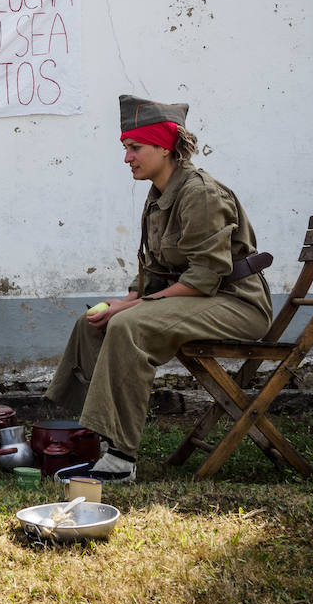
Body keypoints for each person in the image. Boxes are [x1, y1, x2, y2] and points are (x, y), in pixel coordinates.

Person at [44, 94, 274, 483]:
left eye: (134, 148)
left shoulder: (199, 193)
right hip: (200, 299)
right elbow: (154, 271)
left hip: (235, 306)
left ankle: (119, 461)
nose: (127, 158)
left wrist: (132, 309)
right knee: (94, 321)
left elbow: (203, 278)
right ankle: (96, 440)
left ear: (164, 146)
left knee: (129, 326)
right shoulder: (160, 195)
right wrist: (123, 301)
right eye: (125, 148)